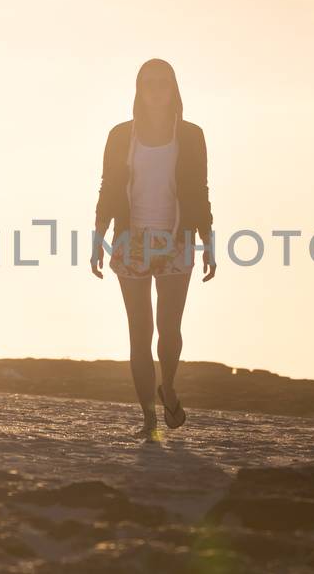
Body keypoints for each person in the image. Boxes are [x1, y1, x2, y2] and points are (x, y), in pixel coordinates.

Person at [91, 58, 217, 440]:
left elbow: (200, 189)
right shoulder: (119, 135)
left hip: (177, 240)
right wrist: (99, 235)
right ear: (138, 89)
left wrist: (208, 239)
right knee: (139, 332)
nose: (156, 89)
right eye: (149, 83)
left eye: (163, 83)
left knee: (169, 331)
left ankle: (170, 387)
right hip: (131, 241)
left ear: (174, 89)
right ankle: (148, 416)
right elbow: (109, 188)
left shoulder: (191, 136)